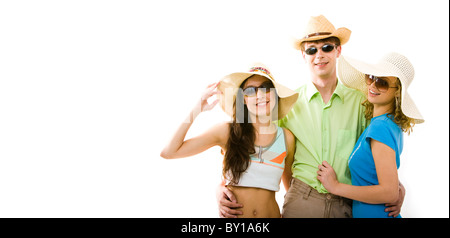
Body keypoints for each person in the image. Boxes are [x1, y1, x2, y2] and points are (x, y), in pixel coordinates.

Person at [217, 15, 405, 218]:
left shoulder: (361, 103)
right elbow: (248, 144)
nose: (319, 55)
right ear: (303, 54)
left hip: (345, 205)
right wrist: (221, 187)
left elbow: (374, 152)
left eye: (327, 47)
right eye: (311, 49)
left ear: (338, 50)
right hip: (301, 202)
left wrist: (396, 186)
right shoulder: (287, 105)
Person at [160, 63, 298, 217]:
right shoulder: (227, 131)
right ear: (243, 99)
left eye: (266, 87)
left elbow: (290, 190)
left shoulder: (286, 138)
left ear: (275, 94)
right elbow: (169, 152)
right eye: (250, 90)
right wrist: (197, 109)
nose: (259, 95)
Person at [317, 53, 424, 218]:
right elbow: (382, 177)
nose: (373, 85)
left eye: (383, 83)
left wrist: (336, 187)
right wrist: (399, 186)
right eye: (372, 77)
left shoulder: (380, 128)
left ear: (397, 92)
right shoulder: (384, 124)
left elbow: (389, 193)